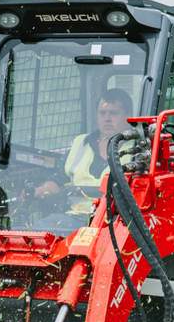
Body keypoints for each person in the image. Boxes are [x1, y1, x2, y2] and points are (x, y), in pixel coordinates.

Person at [29, 88, 133, 231]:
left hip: (116, 221)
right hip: (74, 217)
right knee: (37, 231)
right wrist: (40, 190)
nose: (107, 118)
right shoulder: (80, 143)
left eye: (113, 113)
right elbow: (59, 179)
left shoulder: (138, 149)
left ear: (128, 116)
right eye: (102, 113)